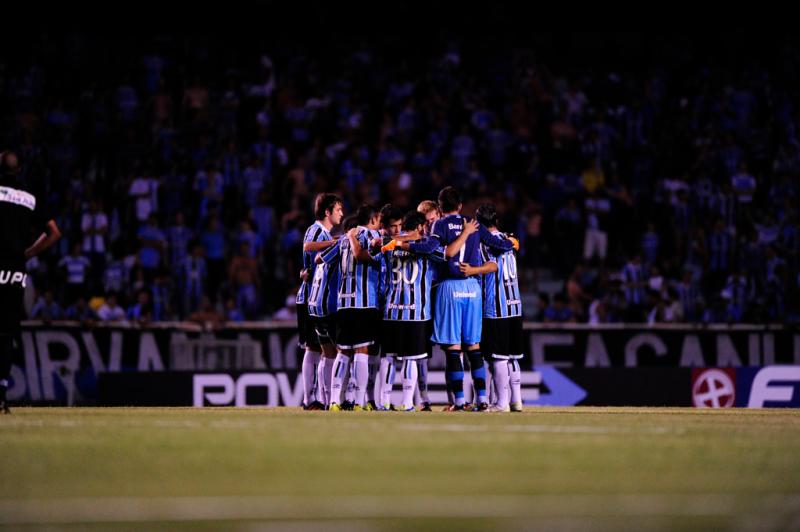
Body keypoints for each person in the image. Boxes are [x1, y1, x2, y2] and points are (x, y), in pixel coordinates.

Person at [431, 187, 515, 411]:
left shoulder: (438, 225)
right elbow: (499, 244)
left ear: (440, 207)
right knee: (474, 347)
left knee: (453, 348)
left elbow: (447, 253)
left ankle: (459, 401)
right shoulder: (473, 222)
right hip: (472, 288)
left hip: (450, 287)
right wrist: (512, 242)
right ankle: (483, 399)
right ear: (459, 206)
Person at [0, 151, 62, 414]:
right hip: (15, 271)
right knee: (5, 334)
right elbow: (54, 233)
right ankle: (1, 395)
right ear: (19, 170)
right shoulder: (29, 198)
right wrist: (28, 253)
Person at [297, 194, 342, 409]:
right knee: (313, 349)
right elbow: (307, 247)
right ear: (327, 212)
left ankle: (319, 399)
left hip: (315, 296)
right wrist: (335, 241)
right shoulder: (317, 230)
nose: (341, 214)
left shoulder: (321, 232)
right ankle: (310, 399)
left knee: (321, 350)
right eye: (338, 209)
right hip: (309, 297)